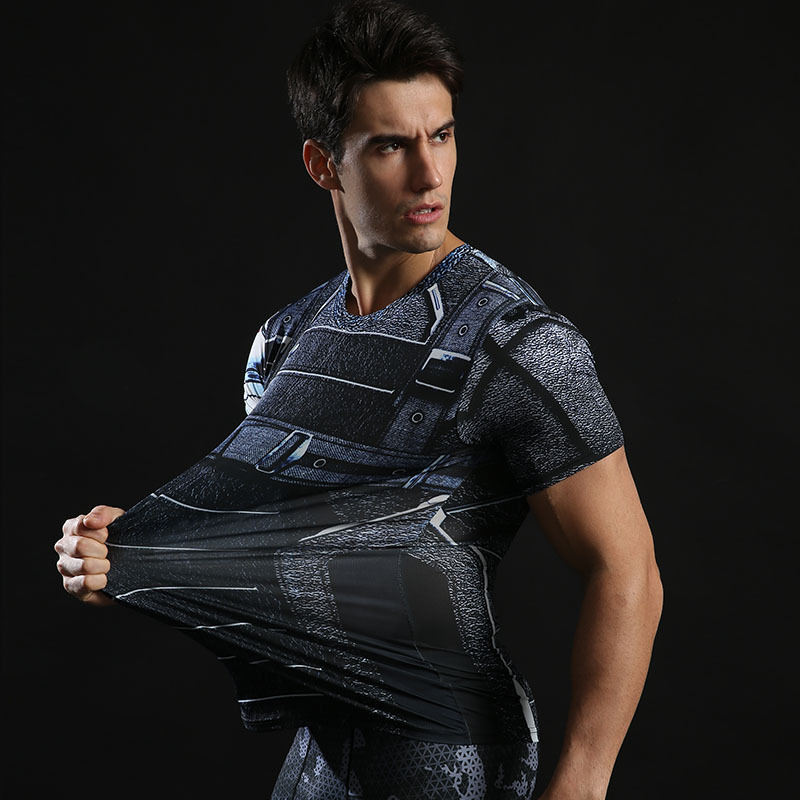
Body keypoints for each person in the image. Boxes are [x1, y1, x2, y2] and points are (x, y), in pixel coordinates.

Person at [54, 1, 663, 797]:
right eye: (391, 145)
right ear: (322, 164)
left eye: (442, 135)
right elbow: (282, 555)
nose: (429, 175)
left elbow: (628, 567)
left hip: (447, 758)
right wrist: (134, 551)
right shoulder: (283, 341)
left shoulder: (517, 343)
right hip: (322, 761)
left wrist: (581, 783)